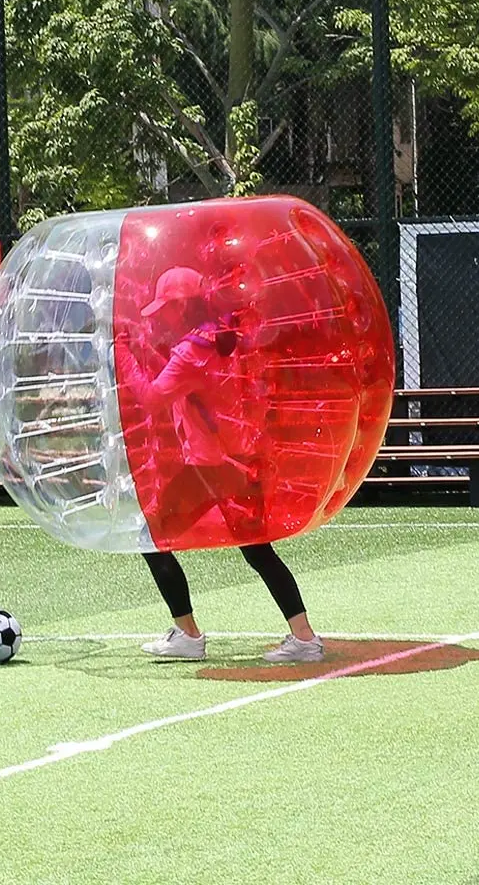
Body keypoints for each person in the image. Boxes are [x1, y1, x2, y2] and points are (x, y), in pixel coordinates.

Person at [118, 265, 323, 663]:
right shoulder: (222, 337)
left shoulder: (192, 351)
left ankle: (188, 634)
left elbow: (151, 398)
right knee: (258, 552)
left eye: (165, 309)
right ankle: (304, 638)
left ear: (181, 306)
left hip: (210, 467)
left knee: (151, 538)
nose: (161, 316)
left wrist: (122, 353)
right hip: (242, 460)